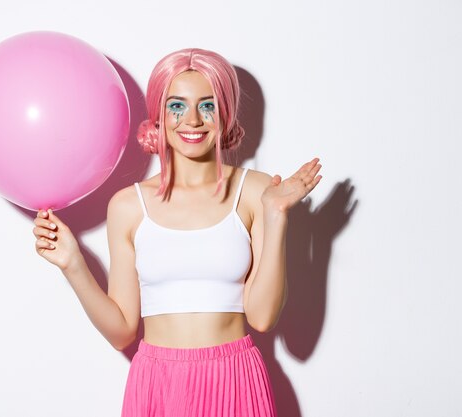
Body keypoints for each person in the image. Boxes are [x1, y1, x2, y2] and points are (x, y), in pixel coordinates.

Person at [32, 48, 322, 417]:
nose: (193, 121)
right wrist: (73, 263)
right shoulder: (128, 206)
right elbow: (122, 330)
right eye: (176, 106)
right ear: (158, 116)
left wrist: (276, 214)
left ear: (225, 113)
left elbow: (263, 317)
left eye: (208, 105)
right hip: (157, 383)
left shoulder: (257, 191)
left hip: (234, 379)